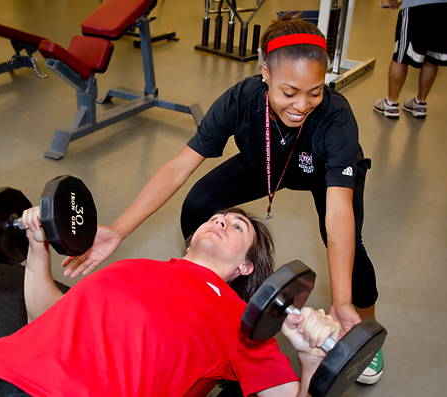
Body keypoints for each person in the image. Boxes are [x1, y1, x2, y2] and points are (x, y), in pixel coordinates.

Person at [62, 14, 382, 384]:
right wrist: (119, 230)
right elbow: (178, 168)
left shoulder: (336, 119)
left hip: (323, 172)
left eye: (315, 91)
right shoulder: (240, 101)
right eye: (289, 92)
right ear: (265, 72)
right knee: (199, 207)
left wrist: (339, 299)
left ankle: (361, 324)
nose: (302, 104)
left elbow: (339, 212)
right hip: (262, 161)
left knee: (348, 249)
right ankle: (222, 298)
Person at [0, 207, 339, 397]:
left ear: (245, 268)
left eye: (237, 227)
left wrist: (312, 360)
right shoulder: (139, 266)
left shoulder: (242, 322)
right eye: (218, 217)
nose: (220, 222)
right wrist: (38, 248)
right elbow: (44, 318)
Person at [373, 0, 447, 119]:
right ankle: (420, 102)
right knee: (433, 55)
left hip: (419, 4)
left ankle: (391, 103)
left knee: (402, 54)